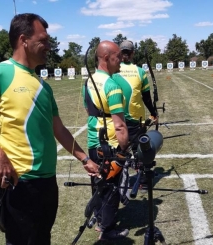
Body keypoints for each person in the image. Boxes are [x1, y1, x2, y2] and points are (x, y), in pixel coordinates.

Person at [0, 13, 99, 245]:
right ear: (23, 40)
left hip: (46, 180)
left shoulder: (42, 85)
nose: (49, 46)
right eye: (43, 40)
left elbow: (58, 128)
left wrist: (84, 159)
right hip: (19, 181)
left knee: (42, 238)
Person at [83, 40, 130, 241]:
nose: (121, 60)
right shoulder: (112, 85)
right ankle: (108, 230)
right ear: (105, 58)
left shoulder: (89, 80)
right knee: (111, 187)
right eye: (117, 56)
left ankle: (100, 220)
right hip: (110, 144)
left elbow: (88, 109)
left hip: (94, 141)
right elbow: (120, 125)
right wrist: (123, 149)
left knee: (99, 183)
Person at [112, 40, 159, 189]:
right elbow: (146, 96)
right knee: (140, 150)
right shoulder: (139, 71)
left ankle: (117, 180)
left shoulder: (113, 70)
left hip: (116, 117)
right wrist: (153, 112)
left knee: (118, 150)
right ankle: (143, 180)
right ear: (133, 54)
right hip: (135, 119)